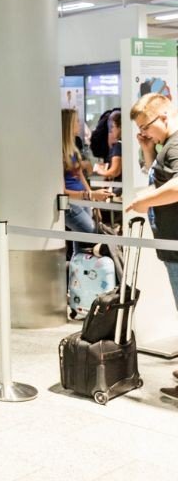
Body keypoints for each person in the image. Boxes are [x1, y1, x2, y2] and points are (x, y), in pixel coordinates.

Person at [125, 93, 178, 397]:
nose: (143, 133)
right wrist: (148, 151)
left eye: (146, 126)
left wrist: (145, 201)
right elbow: (161, 178)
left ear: (164, 117)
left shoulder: (176, 144)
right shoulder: (165, 147)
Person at [62, 109, 112, 249]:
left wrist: (91, 197)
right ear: (69, 124)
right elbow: (61, 190)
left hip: (83, 199)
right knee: (92, 234)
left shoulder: (72, 147)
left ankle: (77, 268)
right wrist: (90, 195)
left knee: (81, 243)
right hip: (72, 203)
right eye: (76, 121)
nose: (79, 124)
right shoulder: (60, 151)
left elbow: (80, 175)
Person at [94, 110, 123, 184]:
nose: (112, 130)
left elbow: (115, 171)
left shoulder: (118, 146)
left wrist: (100, 170)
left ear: (120, 127)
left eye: (113, 127)